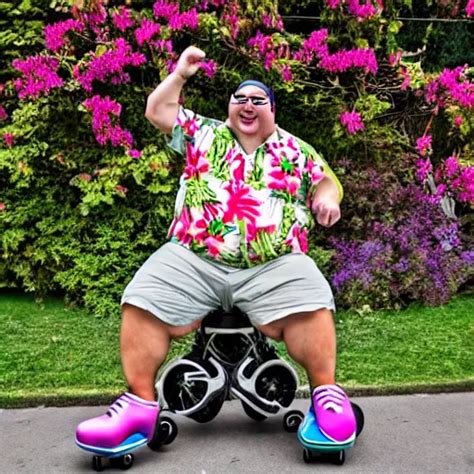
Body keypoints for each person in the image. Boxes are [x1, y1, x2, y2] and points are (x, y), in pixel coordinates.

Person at [75, 46, 356, 452]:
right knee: (142, 295)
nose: (247, 105)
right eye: (239, 98)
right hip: (193, 257)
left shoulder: (296, 150)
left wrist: (328, 200)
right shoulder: (203, 133)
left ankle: (327, 398)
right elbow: (157, 111)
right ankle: (138, 407)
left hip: (273, 263)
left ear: (272, 112)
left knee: (312, 293)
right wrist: (179, 75)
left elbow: (327, 182)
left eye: (257, 100)